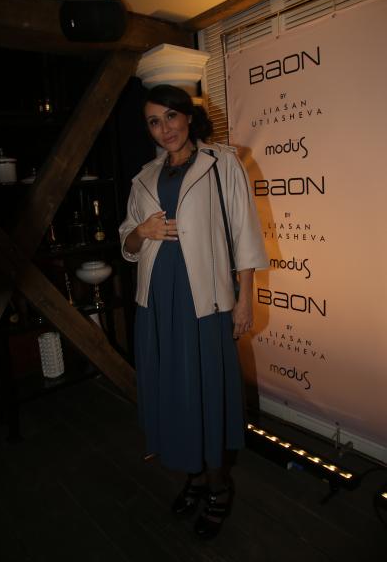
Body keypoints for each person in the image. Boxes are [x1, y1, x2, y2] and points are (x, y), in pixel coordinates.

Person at [119, 84, 268, 539]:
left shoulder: (221, 162)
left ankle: (219, 487)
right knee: (174, 390)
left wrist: (245, 298)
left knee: (208, 391)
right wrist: (142, 231)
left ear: (188, 116)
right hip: (156, 299)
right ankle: (195, 478)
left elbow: (244, 232)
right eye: (154, 121)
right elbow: (127, 241)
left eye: (171, 116)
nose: (165, 128)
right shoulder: (144, 177)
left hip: (204, 297)